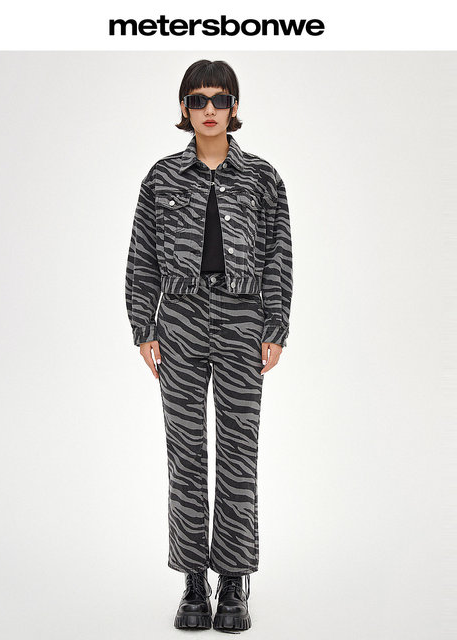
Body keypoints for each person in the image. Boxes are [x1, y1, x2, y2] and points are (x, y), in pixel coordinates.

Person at [125, 59, 293, 631]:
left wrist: (275, 327)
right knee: (186, 453)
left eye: (220, 99)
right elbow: (142, 257)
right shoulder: (161, 178)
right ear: (184, 109)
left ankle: (235, 580)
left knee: (240, 453)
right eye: (198, 100)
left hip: (244, 321)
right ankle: (193, 580)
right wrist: (143, 327)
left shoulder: (264, 178)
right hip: (180, 321)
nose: (210, 109)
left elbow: (278, 257)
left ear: (235, 107)